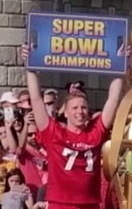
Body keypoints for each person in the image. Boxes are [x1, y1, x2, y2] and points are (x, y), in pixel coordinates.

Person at [22, 45, 124, 209]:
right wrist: (30, 67)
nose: (80, 111)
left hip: (89, 204)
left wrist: (119, 65)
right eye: (75, 108)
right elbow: (36, 99)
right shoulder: (54, 132)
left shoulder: (95, 131)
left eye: (83, 107)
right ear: (66, 112)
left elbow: (113, 99)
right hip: (60, 203)